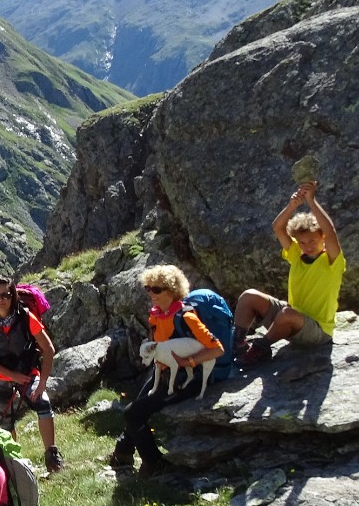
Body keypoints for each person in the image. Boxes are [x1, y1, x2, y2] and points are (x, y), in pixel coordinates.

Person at [106, 265, 228, 478]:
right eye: (148, 288)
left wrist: (188, 362)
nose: (151, 293)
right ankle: (124, 452)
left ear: (172, 291)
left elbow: (217, 349)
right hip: (166, 371)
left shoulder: (187, 317)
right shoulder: (157, 315)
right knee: (138, 407)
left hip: (190, 378)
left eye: (157, 289)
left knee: (132, 413)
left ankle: (155, 463)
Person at [233, 180, 345, 367]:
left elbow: (331, 231)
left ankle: (260, 348)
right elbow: (277, 227)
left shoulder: (332, 261)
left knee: (286, 313)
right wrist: (293, 204)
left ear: (322, 238)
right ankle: (237, 345)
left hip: (318, 332)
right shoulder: (296, 256)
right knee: (249, 296)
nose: (307, 246)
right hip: (292, 322)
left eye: (312, 241)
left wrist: (311, 201)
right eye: (302, 242)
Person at [0, 277, 65, 473]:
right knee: (7, 422)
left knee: (44, 405)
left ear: (13, 296)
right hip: (0, 377)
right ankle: (13, 464)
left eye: (6, 295)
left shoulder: (26, 317)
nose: (1, 300)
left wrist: (42, 383)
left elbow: (48, 349)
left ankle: (52, 456)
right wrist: (11, 375)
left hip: (27, 374)